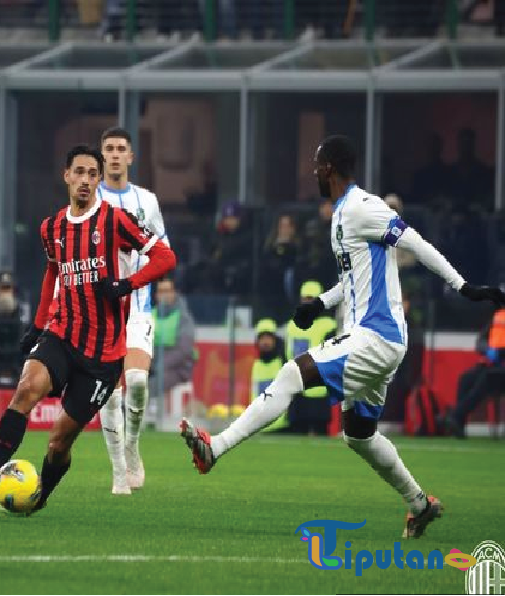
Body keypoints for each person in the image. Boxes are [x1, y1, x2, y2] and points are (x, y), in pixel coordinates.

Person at [179, 135, 505, 539]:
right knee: (358, 434)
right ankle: (420, 504)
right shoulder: (341, 215)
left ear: (328, 168)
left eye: (316, 164)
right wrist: (320, 302)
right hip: (376, 339)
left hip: (376, 336)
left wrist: (463, 286)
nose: (313, 171)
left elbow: (415, 242)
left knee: (290, 376)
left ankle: (215, 448)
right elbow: (354, 279)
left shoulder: (363, 207)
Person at [0, 144, 176, 516]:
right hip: (63, 333)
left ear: (97, 180)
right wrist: (40, 323)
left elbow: (165, 257)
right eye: (79, 172)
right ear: (66, 175)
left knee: (59, 442)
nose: (85, 180)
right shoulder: (53, 228)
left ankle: (37, 498)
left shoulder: (115, 220)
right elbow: (52, 272)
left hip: (104, 355)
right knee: (26, 388)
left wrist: (128, 284)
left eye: (92, 174)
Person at [96, 126, 170, 495]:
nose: (113, 154)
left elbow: (162, 252)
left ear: (130, 156)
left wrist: (132, 282)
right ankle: (118, 473)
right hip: (98, 311)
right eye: (108, 148)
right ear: (101, 155)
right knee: (108, 394)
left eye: (120, 148)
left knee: (136, 382)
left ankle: (133, 444)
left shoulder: (147, 201)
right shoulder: (90, 198)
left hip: (137, 305)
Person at [285, 281, 337, 435]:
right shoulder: (292, 324)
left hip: (319, 386)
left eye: (311, 299)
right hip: (297, 384)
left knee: (320, 430)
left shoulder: (329, 325)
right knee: (297, 430)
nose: (307, 302)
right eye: (305, 298)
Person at [447, 308, 505, 438]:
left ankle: (455, 415)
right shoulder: (499, 316)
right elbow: (480, 342)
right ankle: (458, 425)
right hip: (492, 365)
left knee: (486, 379)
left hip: (500, 369)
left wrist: (501, 352)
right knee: (465, 379)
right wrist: (488, 350)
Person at [151, 277, 196, 398]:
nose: (164, 295)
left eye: (167, 291)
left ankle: (150, 411)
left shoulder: (183, 317)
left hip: (178, 369)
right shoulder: (151, 314)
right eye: (161, 291)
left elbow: (184, 349)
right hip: (153, 364)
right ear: (156, 295)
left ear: (174, 293)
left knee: (158, 380)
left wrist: (160, 363)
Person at [250, 319, 287, 432]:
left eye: (268, 338)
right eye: (262, 338)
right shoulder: (256, 365)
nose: (265, 342)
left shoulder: (283, 363)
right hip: (260, 426)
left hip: (282, 426)